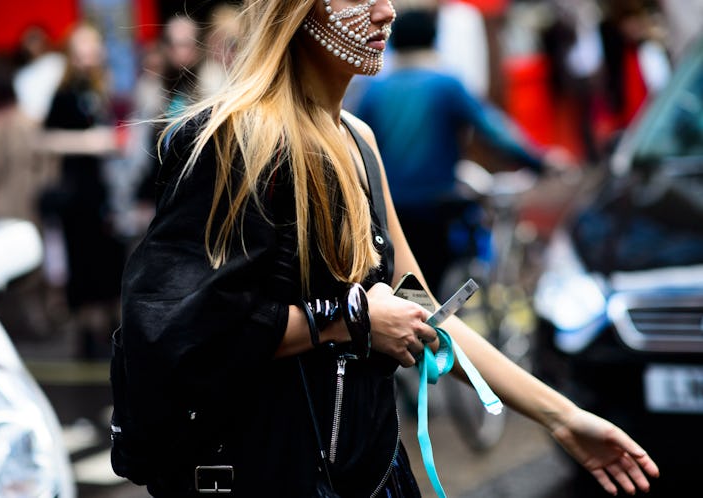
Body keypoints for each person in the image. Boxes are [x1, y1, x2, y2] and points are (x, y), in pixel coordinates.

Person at [114, 1, 659, 497]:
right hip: (276, 474)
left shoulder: (359, 138)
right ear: (297, 13)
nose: (386, 12)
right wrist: (349, 318)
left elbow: (425, 311)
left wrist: (563, 417)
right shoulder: (240, 139)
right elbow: (183, 332)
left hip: (369, 470)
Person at [356, 8, 570, 299]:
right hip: (438, 205)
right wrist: (540, 160)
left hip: (389, 208)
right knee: (434, 288)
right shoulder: (446, 84)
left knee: (404, 285)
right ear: (434, 40)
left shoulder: (374, 89)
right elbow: (494, 130)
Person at [38, 22, 125, 357]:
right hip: (77, 194)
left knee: (108, 261)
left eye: (94, 48)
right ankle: (87, 336)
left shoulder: (103, 89)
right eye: (83, 49)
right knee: (83, 263)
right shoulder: (65, 93)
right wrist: (90, 143)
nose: (90, 56)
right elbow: (45, 138)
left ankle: (106, 332)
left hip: (105, 192)